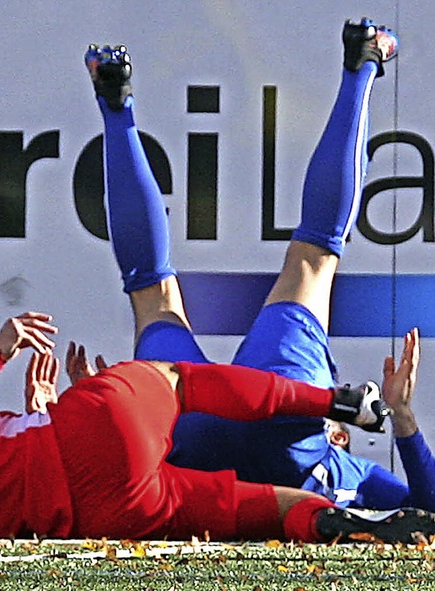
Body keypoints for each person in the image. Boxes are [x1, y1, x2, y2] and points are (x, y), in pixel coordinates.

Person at [81, 18, 435, 511]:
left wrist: (96, 422)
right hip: (219, 435)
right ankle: (114, 107)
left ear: (337, 436)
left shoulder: (347, 467)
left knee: (312, 257)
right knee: (153, 296)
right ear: (338, 436)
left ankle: (364, 63)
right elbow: (431, 505)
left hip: (230, 428)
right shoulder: (354, 475)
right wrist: (401, 421)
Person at [0, 310, 431, 544]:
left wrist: (36, 417)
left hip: (98, 514)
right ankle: (336, 400)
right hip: (88, 445)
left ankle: (337, 522)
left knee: (257, 511)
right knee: (183, 377)